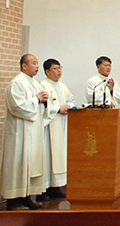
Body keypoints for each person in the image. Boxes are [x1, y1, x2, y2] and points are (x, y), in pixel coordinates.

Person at [1, 54, 50, 210]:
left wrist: (44, 101)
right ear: (24, 66)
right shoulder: (17, 83)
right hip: (19, 132)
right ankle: (13, 201)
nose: (37, 66)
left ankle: (26, 197)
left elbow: (40, 105)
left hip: (32, 131)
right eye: (34, 63)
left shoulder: (34, 83)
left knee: (29, 165)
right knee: (17, 164)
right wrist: (37, 99)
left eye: (37, 63)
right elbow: (17, 107)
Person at [37, 59, 76, 201]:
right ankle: (43, 190)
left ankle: (55, 187)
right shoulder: (42, 85)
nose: (59, 71)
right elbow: (41, 108)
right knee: (47, 157)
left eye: (60, 68)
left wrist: (69, 106)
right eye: (55, 68)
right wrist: (58, 109)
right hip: (48, 127)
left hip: (61, 125)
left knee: (59, 155)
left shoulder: (62, 86)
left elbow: (71, 100)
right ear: (47, 71)